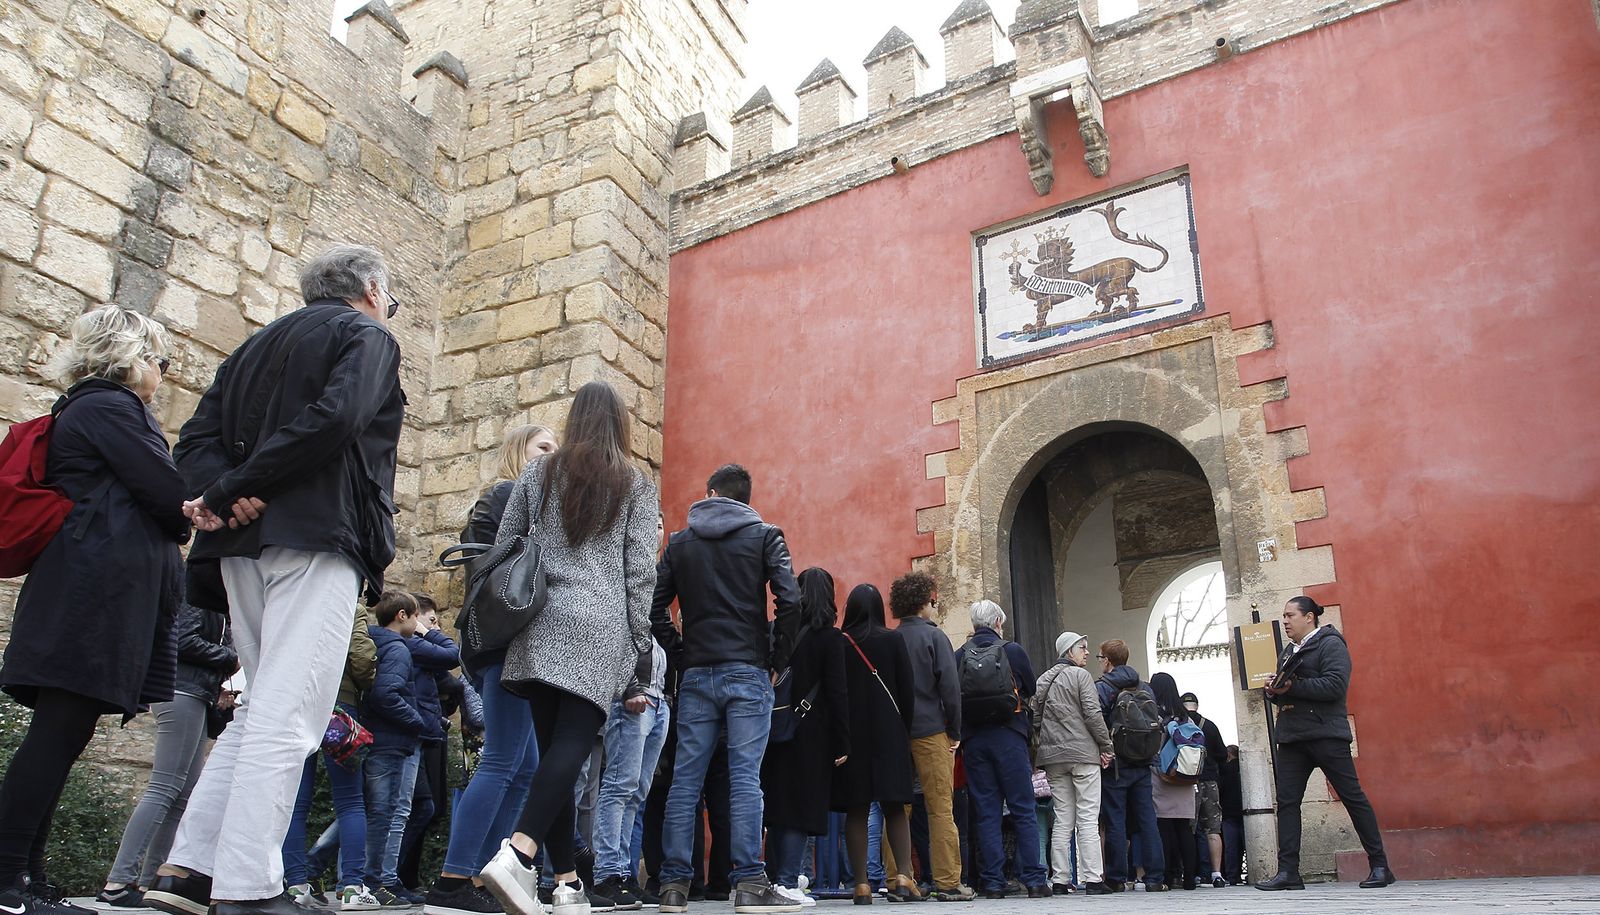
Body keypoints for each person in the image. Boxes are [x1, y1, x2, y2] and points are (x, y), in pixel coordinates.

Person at [149, 244, 405, 915]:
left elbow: (195, 442)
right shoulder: (367, 333)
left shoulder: (253, 347)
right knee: (292, 714)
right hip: (317, 533)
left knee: (262, 705)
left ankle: (188, 867)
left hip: (242, 543)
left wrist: (225, 490)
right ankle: (249, 885)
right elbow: (340, 417)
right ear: (373, 289)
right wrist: (242, 484)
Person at [0, 305, 189, 915]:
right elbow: (168, 495)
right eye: (159, 360)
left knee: (63, 733)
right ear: (132, 357)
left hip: (82, 586)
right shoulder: (110, 406)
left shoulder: (85, 407)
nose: (161, 372)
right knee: (57, 734)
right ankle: (5, 880)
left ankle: (27, 877)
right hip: (91, 592)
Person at [477, 382, 659, 915]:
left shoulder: (537, 474)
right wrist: (638, 646)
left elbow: (506, 545)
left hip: (537, 625)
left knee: (555, 754)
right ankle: (518, 854)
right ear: (620, 425)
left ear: (576, 420)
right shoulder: (635, 483)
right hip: (599, 626)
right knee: (572, 748)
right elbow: (639, 572)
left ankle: (566, 885)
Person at [650, 464, 802, 915]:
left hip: (697, 673)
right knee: (744, 779)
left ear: (710, 492)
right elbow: (790, 601)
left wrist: (682, 655)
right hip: (748, 669)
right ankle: (750, 883)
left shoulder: (679, 543)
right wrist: (776, 658)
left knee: (685, 781)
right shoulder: (765, 535)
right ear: (746, 499)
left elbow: (653, 609)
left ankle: (674, 885)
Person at [425, 424, 557, 915]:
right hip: (508, 643)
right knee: (505, 761)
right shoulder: (507, 494)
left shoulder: (512, 500)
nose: (551, 457)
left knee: (522, 768)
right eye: (543, 447)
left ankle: (483, 878)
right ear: (516, 452)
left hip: (506, 644)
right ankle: (453, 881)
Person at [100, 595, 237, 907]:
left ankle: (153, 882)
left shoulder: (217, 604)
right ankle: (118, 882)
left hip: (195, 693)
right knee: (164, 787)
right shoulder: (197, 594)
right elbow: (183, 640)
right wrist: (228, 658)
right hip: (180, 691)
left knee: (183, 795)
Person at [1257, 596, 1395, 891]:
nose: (1285, 621)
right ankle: (1289, 872)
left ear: (1309, 617)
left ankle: (1380, 865)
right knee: (1288, 803)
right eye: (1283, 616)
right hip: (1293, 737)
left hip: (1326, 735)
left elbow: (1335, 685)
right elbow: (1284, 694)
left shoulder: (1331, 644)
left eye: (1290, 615)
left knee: (1352, 797)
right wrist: (1273, 690)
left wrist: (1294, 686)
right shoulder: (1288, 652)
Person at [884, 573, 972, 902]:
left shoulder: (890, 639)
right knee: (939, 808)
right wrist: (955, 730)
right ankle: (948, 882)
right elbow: (950, 688)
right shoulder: (935, 639)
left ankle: (897, 879)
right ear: (924, 602)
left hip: (896, 733)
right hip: (931, 730)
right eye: (933, 601)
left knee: (898, 808)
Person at [761, 568, 850, 896]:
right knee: (801, 808)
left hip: (774, 726)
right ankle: (787, 881)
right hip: (812, 732)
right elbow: (837, 692)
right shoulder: (829, 638)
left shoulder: (778, 631)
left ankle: (772, 880)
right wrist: (843, 741)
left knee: (778, 806)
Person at [284, 606, 379, 910]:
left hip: (295, 702)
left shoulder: (295, 597)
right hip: (338, 705)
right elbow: (362, 659)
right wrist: (366, 681)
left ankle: (295, 885)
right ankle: (352, 887)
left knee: (295, 801)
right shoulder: (349, 605)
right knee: (350, 800)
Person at [953, 601, 1047, 899]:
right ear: (996, 621)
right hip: (1010, 736)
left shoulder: (960, 654)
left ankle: (992, 882)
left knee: (987, 811)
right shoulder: (1013, 650)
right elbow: (1030, 688)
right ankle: (1033, 879)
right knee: (1023, 808)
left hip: (975, 741)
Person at [830, 585, 917, 904]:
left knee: (857, 809)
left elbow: (834, 693)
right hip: (889, 733)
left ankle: (862, 885)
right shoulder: (893, 639)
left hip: (852, 735)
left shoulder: (840, 643)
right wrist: (902, 730)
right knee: (895, 807)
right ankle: (905, 878)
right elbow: (907, 692)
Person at [590, 630, 671, 909]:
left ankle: (624, 876)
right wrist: (629, 686)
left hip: (657, 701)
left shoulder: (650, 617)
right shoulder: (625, 603)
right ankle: (607, 874)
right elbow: (613, 644)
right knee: (618, 787)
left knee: (636, 792)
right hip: (632, 701)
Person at [1029, 631, 1112, 896]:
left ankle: (1061, 880)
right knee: (1088, 817)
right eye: (1083, 648)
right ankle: (1093, 879)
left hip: (1053, 758)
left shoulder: (1043, 679)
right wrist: (1107, 746)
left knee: (1063, 819)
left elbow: (1035, 719)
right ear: (1069, 652)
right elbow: (1092, 714)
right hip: (1083, 755)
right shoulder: (1081, 676)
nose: (1087, 653)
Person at [363, 591, 428, 906]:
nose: (418, 625)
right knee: (382, 813)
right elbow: (386, 694)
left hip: (378, 737)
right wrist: (417, 721)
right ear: (402, 615)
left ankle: (368, 880)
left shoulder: (375, 642)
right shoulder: (398, 649)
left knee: (374, 810)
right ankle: (373, 883)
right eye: (416, 616)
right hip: (390, 741)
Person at [397, 595, 461, 894]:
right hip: (418, 733)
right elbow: (451, 655)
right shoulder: (413, 644)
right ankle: (389, 877)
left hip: (429, 730)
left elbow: (451, 684)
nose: (438, 626)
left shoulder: (419, 650)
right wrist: (427, 633)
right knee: (414, 808)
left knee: (423, 808)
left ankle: (403, 878)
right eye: (432, 620)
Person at [1093, 639, 1166, 893]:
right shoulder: (1143, 685)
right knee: (1148, 819)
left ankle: (1116, 878)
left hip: (1116, 764)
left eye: (1100, 657)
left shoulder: (1102, 687)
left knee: (1115, 821)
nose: (1100, 662)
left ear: (1108, 661)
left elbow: (1097, 721)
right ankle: (1155, 877)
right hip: (1143, 762)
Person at [1148, 673, 1198, 891]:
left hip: (1162, 775)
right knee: (1184, 829)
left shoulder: (1156, 715)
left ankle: (1168, 877)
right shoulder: (1186, 717)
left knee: (1164, 829)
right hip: (1184, 776)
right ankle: (1190, 879)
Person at [1179, 691, 1227, 888]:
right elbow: (1223, 754)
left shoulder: (1180, 725)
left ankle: (1190, 873)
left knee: (1189, 828)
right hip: (1210, 781)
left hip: (1189, 782)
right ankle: (1216, 873)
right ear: (1197, 705)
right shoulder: (1210, 726)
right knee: (1213, 829)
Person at [1219, 745, 1245, 885]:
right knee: (1244, 845)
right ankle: (1245, 872)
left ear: (1228, 755)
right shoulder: (1245, 769)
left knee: (1231, 847)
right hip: (1244, 811)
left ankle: (1232, 876)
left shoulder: (1225, 770)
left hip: (1228, 812)